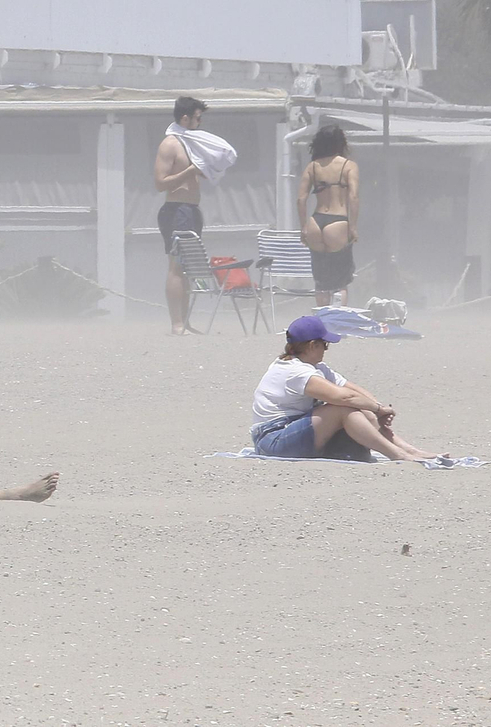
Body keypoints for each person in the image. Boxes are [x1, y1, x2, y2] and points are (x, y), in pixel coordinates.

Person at [249, 315, 443, 463]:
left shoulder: (314, 367)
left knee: (361, 410)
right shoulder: (295, 371)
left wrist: (377, 408)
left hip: (292, 429)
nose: (326, 349)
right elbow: (344, 398)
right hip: (272, 439)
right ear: (312, 345)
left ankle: (409, 450)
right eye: (325, 345)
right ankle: (397, 455)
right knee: (343, 409)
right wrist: (378, 409)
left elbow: (351, 389)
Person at [154, 95, 239, 334]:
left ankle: (185, 321)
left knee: (187, 267)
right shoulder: (170, 144)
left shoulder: (192, 143)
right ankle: (176, 323)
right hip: (176, 210)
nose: (199, 123)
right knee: (176, 266)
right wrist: (191, 170)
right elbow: (160, 183)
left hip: (191, 210)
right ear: (185, 118)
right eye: (197, 118)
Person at [297, 125, 358, 306]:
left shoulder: (313, 167)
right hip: (338, 221)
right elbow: (353, 197)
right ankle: (337, 318)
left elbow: (301, 199)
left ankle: (322, 318)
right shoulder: (348, 166)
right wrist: (353, 227)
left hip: (316, 222)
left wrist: (303, 227)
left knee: (321, 282)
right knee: (340, 282)